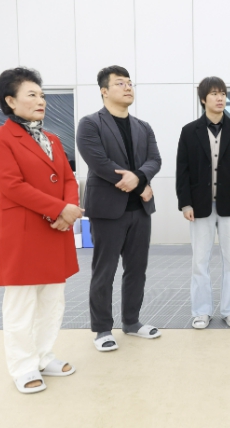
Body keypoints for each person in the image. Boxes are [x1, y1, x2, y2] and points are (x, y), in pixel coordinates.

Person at [0, 67, 81, 394]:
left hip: (55, 229)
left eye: (42, 95)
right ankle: (23, 366)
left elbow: (67, 178)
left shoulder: (53, 139)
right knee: (21, 304)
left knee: (52, 300)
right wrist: (59, 209)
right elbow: (11, 185)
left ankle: (43, 356)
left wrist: (68, 210)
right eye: (32, 95)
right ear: (10, 101)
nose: (41, 101)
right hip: (23, 232)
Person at [76, 65, 162, 352]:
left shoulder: (143, 126)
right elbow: (99, 163)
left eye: (130, 83)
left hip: (140, 210)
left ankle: (132, 322)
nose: (128, 87)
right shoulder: (90, 124)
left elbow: (154, 160)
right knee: (105, 270)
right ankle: (102, 329)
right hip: (107, 210)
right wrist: (139, 184)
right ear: (104, 91)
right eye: (120, 83)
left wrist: (140, 178)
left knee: (137, 269)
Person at [176, 77, 230, 329]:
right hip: (200, 207)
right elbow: (182, 171)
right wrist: (185, 203)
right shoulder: (189, 131)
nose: (220, 98)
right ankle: (201, 311)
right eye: (214, 94)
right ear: (203, 99)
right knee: (200, 261)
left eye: (223, 93)